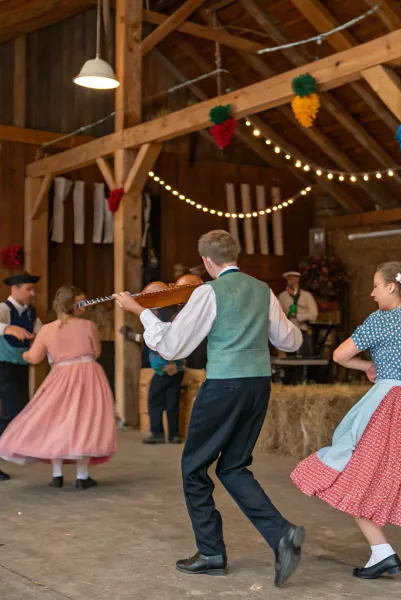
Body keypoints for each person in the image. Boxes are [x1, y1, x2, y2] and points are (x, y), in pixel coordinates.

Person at [113, 230, 305, 587]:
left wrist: (141, 311)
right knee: (233, 466)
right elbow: (290, 341)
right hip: (259, 385)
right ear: (236, 255)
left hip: (224, 386)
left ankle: (212, 553)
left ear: (205, 261)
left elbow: (171, 346)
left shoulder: (207, 292)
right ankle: (281, 533)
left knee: (193, 468)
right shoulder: (262, 290)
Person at [291, 262, 401, 580]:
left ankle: (382, 552)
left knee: (357, 476)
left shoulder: (381, 320)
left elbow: (339, 356)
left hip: (389, 404)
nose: (372, 293)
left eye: (376, 285)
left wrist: (366, 367)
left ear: (391, 287)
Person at [0, 286, 117, 490]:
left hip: (60, 376)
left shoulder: (47, 329)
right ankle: (82, 476)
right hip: (88, 375)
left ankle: (57, 475)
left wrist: (24, 352)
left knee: (57, 420)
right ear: (73, 305)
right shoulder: (89, 326)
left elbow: (34, 358)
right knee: (85, 421)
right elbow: (95, 351)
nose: (84, 307)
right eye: (81, 303)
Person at [0, 272, 43, 481]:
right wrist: (8, 328)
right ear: (15, 290)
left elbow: (42, 334)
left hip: (21, 368)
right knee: (12, 412)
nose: (32, 293)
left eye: (33, 289)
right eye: (28, 289)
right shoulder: (1, 309)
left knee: (16, 412)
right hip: (1, 367)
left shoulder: (32, 313)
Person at [144, 306, 186, 445]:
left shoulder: (159, 327)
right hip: (177, 371)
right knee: (172, 402)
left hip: (165, 371)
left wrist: (165, 367)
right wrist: (178, 366)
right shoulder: (181, 330)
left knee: (154, 400)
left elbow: (157, 349)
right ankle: (173, 435)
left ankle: (157, 433)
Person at [277, 271, 318, 357]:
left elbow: (314, 314)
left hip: (303, 329)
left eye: (294, 278)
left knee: (305, 355)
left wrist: (299, 316)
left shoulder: (307, 296)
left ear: (298, 279)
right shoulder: (282, 297)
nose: (292, 280)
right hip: (287, 331)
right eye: (290, 278)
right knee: (289, 357)